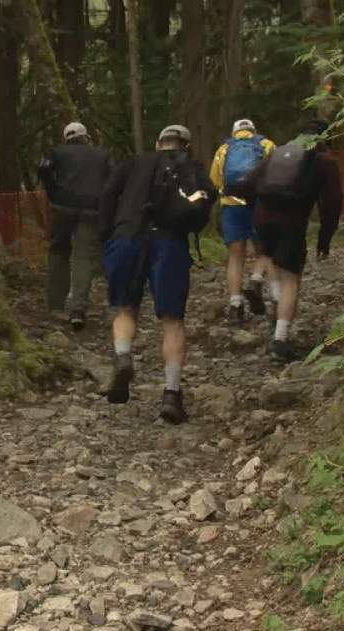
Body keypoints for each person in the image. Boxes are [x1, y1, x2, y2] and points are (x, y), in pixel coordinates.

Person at [99, 125, 215, 424]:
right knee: (172, 320)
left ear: (158, 143)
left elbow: (108, 196)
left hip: (127, 237)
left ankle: (123, 357)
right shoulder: (191, 167)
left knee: (126, 308)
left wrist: (108, 235)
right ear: (185, 145)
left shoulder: (134, 163)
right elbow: (202, 210)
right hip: (170, 243)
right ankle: (172, 394)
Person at [236, 119, 343, 362]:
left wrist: (258, 208)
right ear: (325, 138)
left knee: (272, 258)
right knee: (291, 279)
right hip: (292, 222)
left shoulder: (278, 153)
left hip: (263, 218)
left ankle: (273, 298)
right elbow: (332, 202)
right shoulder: (324, 161)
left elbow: (247, 184)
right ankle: (280, 340)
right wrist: (324, 239)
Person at [39, 122, 116, 330]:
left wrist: (54, 193)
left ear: (67, 138)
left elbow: (43, 169)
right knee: (83, 257)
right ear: (85, 136)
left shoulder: (56, 152)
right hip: (91, 208)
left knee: (58, 252)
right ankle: (78, 310)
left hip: (63, 207)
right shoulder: (102, 154)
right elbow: (113, 180)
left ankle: (56, 306)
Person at [209, 119, 276, 322]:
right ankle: (257, 281)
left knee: (235, 256)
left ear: (234, 132)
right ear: (253, 131)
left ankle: (235, 305)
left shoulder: (224, 149)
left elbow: (215, 180)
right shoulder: (266, 145)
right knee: (266, 251)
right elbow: (276, 173)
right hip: (259, 204)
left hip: (232, 206)